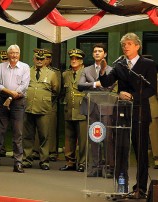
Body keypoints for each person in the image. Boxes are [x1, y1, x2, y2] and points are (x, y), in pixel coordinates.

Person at [99, 33, 157, 197]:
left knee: (140, 152)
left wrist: (133, 96)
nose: (126, 47)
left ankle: (141, 188)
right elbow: (106, 82)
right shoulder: (119, 65)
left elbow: (151, 88)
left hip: (140, 113)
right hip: (122, 113)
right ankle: (121, 187)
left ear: (137, 46)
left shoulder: (148, 64)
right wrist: (103, 71)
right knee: (121, 151)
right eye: (124, 44)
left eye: (129, 44)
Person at [0, 44, 30, 173]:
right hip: (2, 101)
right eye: (11, 53)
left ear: (19, 54)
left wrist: (11, 97)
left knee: (17, 134)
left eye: (16, 53)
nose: (14, 55)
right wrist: (9, 92)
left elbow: (24, 85)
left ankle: (18, 163)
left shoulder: (25, 67)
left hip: (18, 103)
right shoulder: (1, 67)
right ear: (8, 54)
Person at [78, 43, 117, 178]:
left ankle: (110, 167)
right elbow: (80, 85)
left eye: (100, 51)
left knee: (107, 138)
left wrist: (94, 86)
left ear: (105, 54)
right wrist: (96, 83)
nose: (97, 53)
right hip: (91, 107)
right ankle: (96, 166)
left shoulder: (111, 69)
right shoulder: (87, 70)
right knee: (94, 138)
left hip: (106, 107)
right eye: (95, 51)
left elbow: (109, 87)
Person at [22, 49, 59, 170]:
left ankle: (44, 161)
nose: (39, 61)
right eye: (37, 58)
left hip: (43, 109)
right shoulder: (27, 71)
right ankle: (27, 159)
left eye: (42, 59)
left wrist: (44, 99)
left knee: (44, 136)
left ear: (45, 60)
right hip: (28, 107)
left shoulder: (51, 74)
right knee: (27, 136)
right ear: (34, 59)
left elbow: (55, 90)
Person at [59, 48, 87, 172]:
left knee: (82, 139)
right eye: (72, 58)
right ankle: (70, 162)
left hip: (82, 110)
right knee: (69, 138)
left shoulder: (87, 72)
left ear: (81, 61)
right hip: (69, 109)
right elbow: (63, 92)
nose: (74, 61)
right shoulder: (65, 74)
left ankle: (82, 162)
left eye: (77, 59)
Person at [0, 50, 9, 157]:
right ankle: (0, 150)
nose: (4, 61)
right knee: (0, 129)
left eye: (6, 59)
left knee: (16, 130)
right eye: (2, 59)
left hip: (14, 101)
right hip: (0, 102)